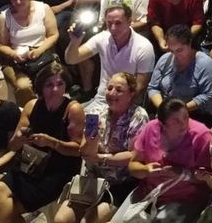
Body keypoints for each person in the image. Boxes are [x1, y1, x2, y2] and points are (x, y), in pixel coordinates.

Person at [0, 62, 84, 223]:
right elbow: (13, 146)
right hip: (30, 165)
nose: (55, 89)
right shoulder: (31, 106)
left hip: (57, 170)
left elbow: (78, 150)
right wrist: (20, 138)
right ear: (41, 86)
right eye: (49, 85)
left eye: (60, 84)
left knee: (8, 209)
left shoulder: (73, 110)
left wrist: (52, 142)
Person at [49, 72, 150, 223]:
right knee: (61, 220)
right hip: (93, 180)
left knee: (88, 221)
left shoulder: (139, 116)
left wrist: (101, 158)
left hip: (121, 184)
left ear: (131, 94)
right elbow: (86, 153)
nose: (112, 93)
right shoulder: (96, 113)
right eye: (109, 88)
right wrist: (91, 141)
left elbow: (133, 156)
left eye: (119, 90)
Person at [121, 98, 212, 222]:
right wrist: (146, 170)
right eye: (176, 121)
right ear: (162, 124)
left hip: (184, 198)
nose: (184, 124)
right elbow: (133, 165)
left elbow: (210, 179)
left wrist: (182, 173)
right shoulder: (151, 128)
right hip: (148, 192)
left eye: (186, 117)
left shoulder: (201, 136)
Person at [64, 3, 156, 104]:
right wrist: (75, 41)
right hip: (101, 100)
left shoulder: (143, 47)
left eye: (118, 23)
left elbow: (140, 87)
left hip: (127, 103)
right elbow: (71, 59)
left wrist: (117, 106)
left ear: (129, 22)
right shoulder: (102, 38)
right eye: (109, 23)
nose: (113, 28)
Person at [147, 24, 212, 126]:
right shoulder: (165, 59)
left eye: (179, 50)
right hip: (166, 113)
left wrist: (180, 110)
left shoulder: (204, 63)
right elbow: (153, 88)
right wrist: (163, 109)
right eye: (171, 51)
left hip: (194, 115)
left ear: (189, 44)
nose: (175, 55)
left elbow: (209, 95)